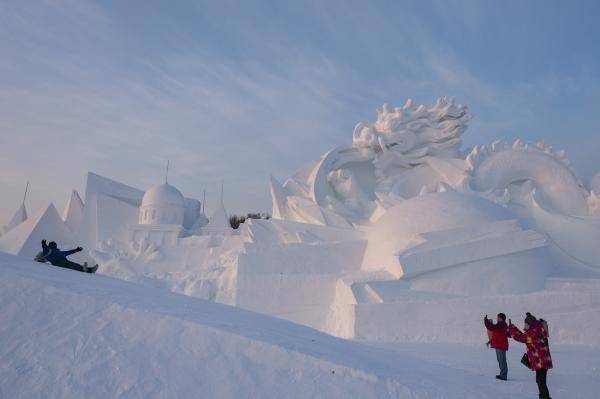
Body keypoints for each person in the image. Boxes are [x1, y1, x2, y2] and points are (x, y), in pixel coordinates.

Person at [508, 312, 553, 399]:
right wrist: (513, 328)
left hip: (541, 361)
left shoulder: (533, 333)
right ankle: (544, 397)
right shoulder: (537, 329)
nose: (524, 325)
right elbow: (523, 335)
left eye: (525, 324)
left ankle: (544, 397)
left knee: (541, 382)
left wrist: (511, 329)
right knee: (540, 381)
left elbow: (521, 338)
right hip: (542, 360)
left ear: (530, 324)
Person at [484, 313, 509, 380]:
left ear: (501, 318)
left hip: (501, 345)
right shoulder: (499, 324)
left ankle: (503, 375)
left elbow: (492, 327)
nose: (497, 318)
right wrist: (490, 341)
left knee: (502, 360)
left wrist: (486, 321)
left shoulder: (502, 324)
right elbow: (495, 332)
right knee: (500, 360)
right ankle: (502, 374)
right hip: (498, 345)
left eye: (498, 317)